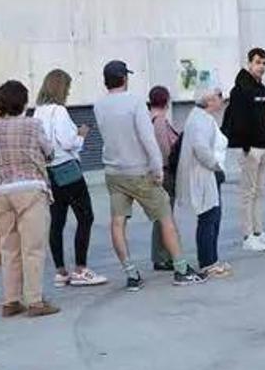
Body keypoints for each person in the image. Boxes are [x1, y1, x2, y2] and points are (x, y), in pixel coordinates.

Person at [95, 60, 205, 288]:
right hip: (139, 171)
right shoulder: (135, 102)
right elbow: (147, 139)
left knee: (117, 222)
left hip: (114, 172)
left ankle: (131, 273)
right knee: (165, 216)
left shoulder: (99, 105)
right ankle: (181, 269)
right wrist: (157, 169)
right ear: (124, 78)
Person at [0, 80, 58, 318]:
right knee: (33, 247)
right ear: (23, 102)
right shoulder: (33, 124)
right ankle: (35, 300)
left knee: (8, 247)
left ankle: (11, 300)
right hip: (30, 188)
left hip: (1, 190)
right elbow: (49, 151)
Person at [34, 70, 105, 288]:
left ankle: (60, 271)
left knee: (57, 221)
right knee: (86, 216)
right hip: (67, 169)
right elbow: (67, 141)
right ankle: (81, 269)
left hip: (49, 171)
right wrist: (82, 134)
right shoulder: (59, 111)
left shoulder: (37, 112)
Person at [222, 47, 265, 253]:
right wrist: (246, 146)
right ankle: (248, 236)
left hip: (262, 146)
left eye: (264, 63)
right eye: (258, 62)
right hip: (248, 148)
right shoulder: (240, 90)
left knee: (259, 192)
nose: (261, 67)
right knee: (247, 192)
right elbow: (239, 121)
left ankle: (258, 231)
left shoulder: (261, 89)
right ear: (249, 63)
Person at [178, 83, 232, 277]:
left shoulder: (203, 117)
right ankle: (208, 262)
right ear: (209, 100)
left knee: (213, 217)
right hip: (204, 174)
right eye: (219, 95)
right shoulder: (200, 120)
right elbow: (201, 149)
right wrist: (215, 165)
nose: (222, 98)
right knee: (208, 217)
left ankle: (212, 259)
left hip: (209, 173)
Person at [148, 86, 182, 271]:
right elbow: (165, 149)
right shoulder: (160, 122)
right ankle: (162, 256)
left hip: (158, 172)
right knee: (164, 215)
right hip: (165, 172)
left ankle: (163, 254)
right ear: (166, 100)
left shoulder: (150, 119)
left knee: (162, 215)